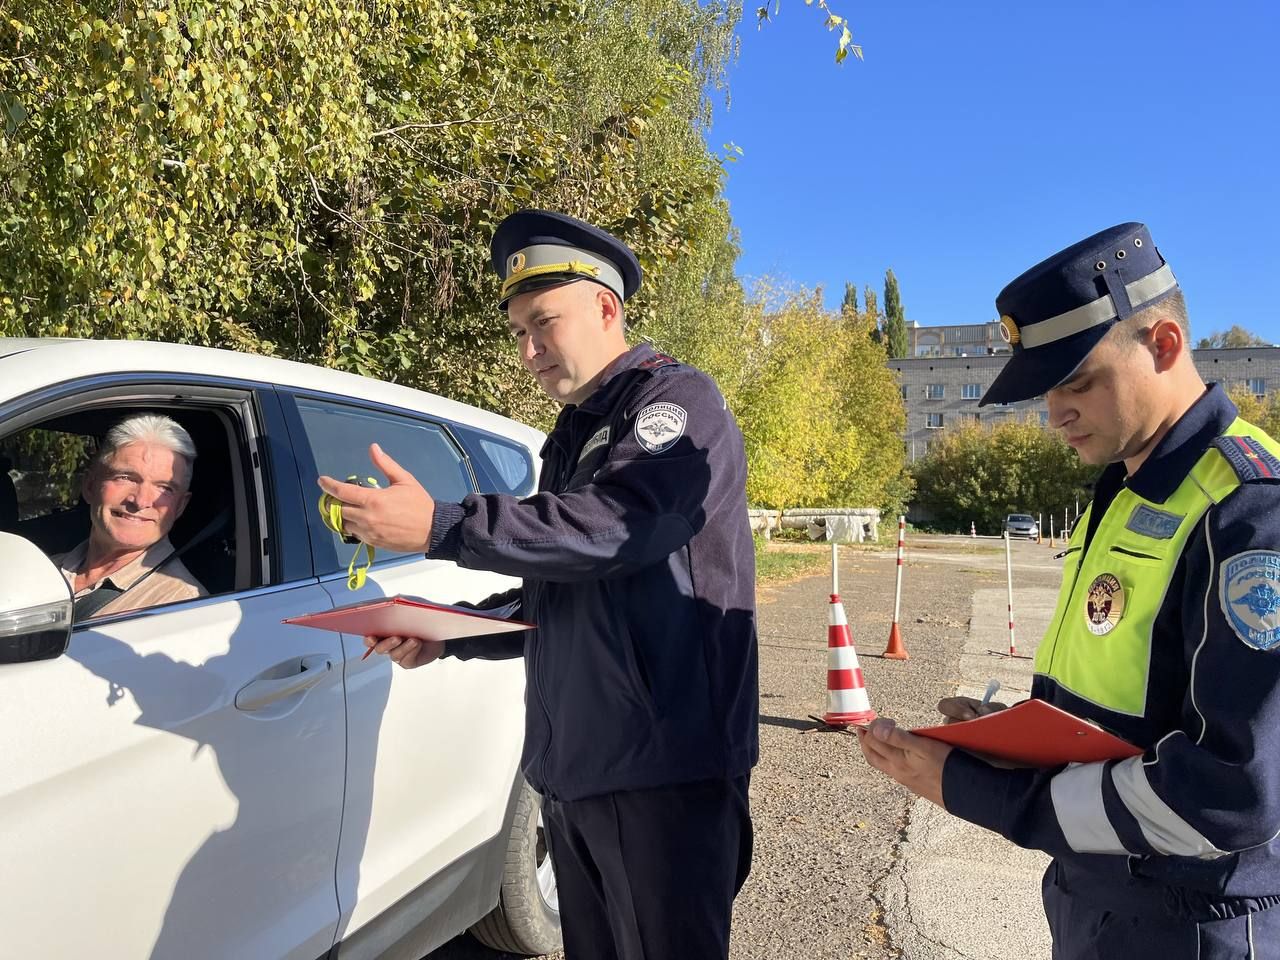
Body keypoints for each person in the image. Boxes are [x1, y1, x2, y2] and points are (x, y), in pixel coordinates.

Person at [317, 210, 758, 960]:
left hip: (661, 772)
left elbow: (620, 527)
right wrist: (446, 633)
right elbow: (564, 593)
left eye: (542, 323)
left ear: (606, 308)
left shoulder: (675, 403)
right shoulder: (573, 434)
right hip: (576, 769)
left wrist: (441, 524)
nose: (529, 351)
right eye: (518, 331)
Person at [857, 222, 1280, 958]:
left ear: (1165, 344)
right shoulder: (1122, 488)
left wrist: (979, 790)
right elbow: (1131, 701)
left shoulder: (1249, 508)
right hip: (1098, 898)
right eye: (1046, 388)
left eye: (1077, 380)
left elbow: (1230, 796)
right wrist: (1012, 739)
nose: (1054, 413)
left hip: (1197, 923)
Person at [54, 414, 206, 619]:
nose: (141, 501)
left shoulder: (184, 607)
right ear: (90, 486)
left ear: (180, 506)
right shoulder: (46, 567)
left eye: (164, 488)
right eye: (125, 477)